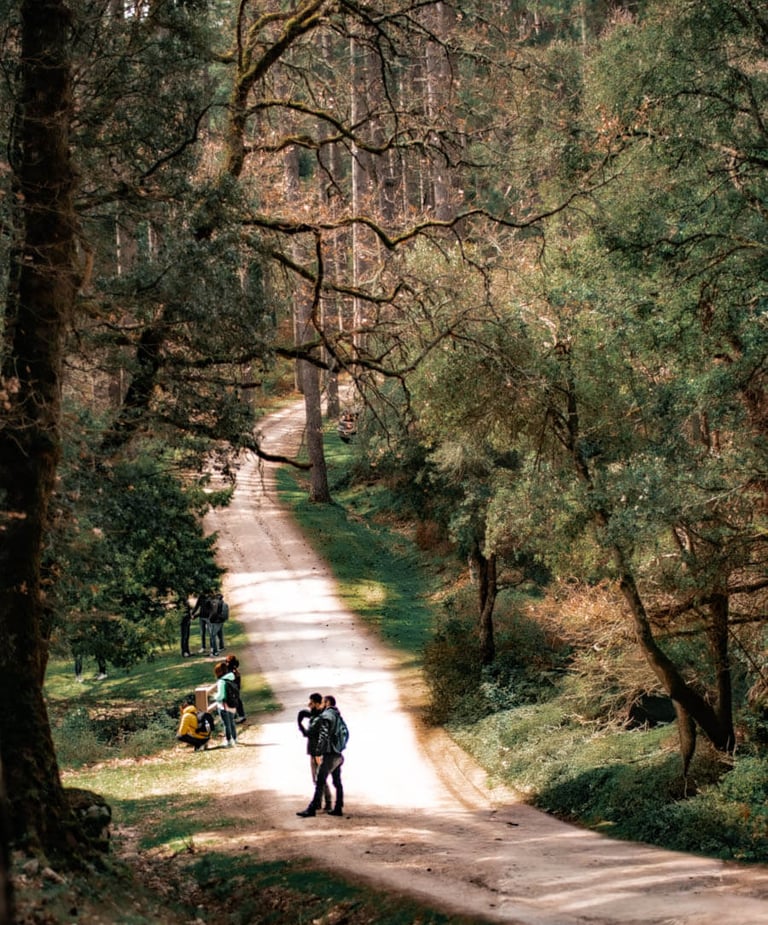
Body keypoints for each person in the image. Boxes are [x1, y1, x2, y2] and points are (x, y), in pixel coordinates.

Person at [296, 694, 345, 818]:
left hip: (329, 754)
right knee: (337, 781)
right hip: (338, 753)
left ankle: (312, 808)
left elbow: (323, 733)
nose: (322, 705)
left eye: (323, 702)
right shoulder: (337, 714)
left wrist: (319, 750)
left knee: (320, 780)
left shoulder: (326, 716)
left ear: (327, 703)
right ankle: (338, 807)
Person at [297, 693, 332, 812]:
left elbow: (309, 733)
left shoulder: (319, 718)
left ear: (317, 703)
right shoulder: (317, 714)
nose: (309, 705)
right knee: (317, 778)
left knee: (320, 777)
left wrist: (300, 724)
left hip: (317, 751)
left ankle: (327, 802)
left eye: (311, 703)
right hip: (314, 750)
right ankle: (319, 802)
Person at [210, 660, 239, 747]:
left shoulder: (221, 682)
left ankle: (228, 740)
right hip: (232, 704)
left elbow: (220, 696)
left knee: (226, 724)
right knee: (232, 722)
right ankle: (235, 738)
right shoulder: (231, 678)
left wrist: (214, 696)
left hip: (224, 705)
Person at [225, 654, 246, 723]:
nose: (226, 663)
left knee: (235, 701)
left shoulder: (231, 672)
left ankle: (240, 715)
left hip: (233, 689)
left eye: (227, 662)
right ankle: (239, 715)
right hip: (236, 688)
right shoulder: (234, 671)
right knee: (236, 700)